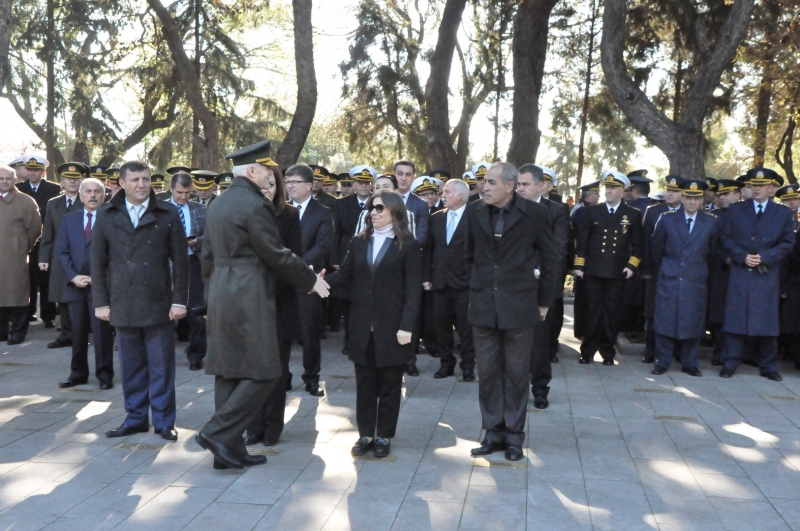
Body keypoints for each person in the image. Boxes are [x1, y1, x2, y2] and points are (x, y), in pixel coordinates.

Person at [197, 140, 328, 470]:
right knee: (266, 370)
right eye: (267, 172)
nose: (271, 178)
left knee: (228, 371)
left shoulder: (219, 203)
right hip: (249, 291)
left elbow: (206, 256)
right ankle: (216, 433)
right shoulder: (255, 204)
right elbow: (275, 253)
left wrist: (210, 295)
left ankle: (228, 450)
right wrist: (310, 280)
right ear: (252, 171)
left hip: (221, 290)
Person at [466, 163, 558, 462]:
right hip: (483, 306)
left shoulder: (536, 214)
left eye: (490, 182)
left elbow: (551, 258)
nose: (484, 186)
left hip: (519, 306)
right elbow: (468, 255)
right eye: (483, 181)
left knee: (518, 375)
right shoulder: (475, 211)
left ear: (509, 186)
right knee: (489, 373)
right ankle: (492, 433)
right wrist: (475, 288)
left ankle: (515, 438)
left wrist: (544, 301)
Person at [92, 160, 189, 442]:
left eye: (145, 179)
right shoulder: (107, 215)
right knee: (131, 367)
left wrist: (179, 301)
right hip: (122, 303)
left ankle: (163, 421)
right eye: (134, 180)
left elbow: (181, 263)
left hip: (159, 302)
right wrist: (101, 302)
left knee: (161, 367)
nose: (141, 185)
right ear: (121, 183)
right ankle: (135, 419)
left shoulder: (168, 213)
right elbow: (97, 264)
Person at [325, 193, 421, 458]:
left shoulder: (409, 245)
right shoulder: (359, 242)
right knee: (365, 384)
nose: (373, 212)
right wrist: (318, 283)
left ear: (395, 211)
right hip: (361, 325)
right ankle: (365, 434)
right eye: (371, 207)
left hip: (393, 327)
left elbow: (414, 292)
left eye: (380, 207)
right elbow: (345, 274)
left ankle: (385, 435)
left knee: (390, 385)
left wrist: (407, 327)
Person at [247, 158, 305, 446]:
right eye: (263, 184)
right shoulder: (244, 212)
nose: (267, 189)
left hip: (279, 302)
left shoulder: (290, 216)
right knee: (253, 369)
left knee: (278, 370)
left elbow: (293, 260)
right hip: (249, 303)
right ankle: (253, 426)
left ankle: (272, 426)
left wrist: (269, 285)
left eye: (273, 184)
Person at [719, 167, 795, 381]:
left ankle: (768, 365)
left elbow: (788, 242)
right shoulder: (735, 210)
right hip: (741, 270)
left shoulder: (781, 212)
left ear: (771, 188)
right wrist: (742, 256)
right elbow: (725, 239)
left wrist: (766, 256)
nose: (758, 189)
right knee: (736, 318)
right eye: (754, 185)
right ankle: (730, 362)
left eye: (762, 185)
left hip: (766, 273)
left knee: (767, 321)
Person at [573, 172, 643, 365]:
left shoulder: (632, 214)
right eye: (607, 188)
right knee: (592, 312)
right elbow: (583, 241)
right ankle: (587, 352)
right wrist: (579, 264)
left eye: (613, 188)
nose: (609, 191)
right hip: (593, 271)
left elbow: (638, 244)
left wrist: (631, 265)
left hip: (617, 271)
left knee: (612, 313)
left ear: (622, 190)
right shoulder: (592, 212)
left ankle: (607, 352)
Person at [650, 180, 719, 376]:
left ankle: (690, 363)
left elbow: (713, 253)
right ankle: (662, 362)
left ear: (702, 200)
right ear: (682, 197)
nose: (692, 202)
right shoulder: (667, 219)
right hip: (670, 276)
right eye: (689, 197)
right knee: (665, 320)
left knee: (693, 321)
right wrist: (663, 271)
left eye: (696, 198)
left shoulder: (711, 221)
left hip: (695, 278)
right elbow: (656, 250)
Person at [516, 164, 570, 409]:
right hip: (513, 285)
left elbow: (556, 248)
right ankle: (514, 388)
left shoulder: (556, 211)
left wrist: (535, 270)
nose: (520, 189)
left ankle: (540, 388)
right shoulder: (511, 208)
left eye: (525, 184)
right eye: (518, 184)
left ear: (540, 185)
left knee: (539, 342)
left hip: (541, 284)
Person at [56, 178, 115, 389]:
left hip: (102, 287)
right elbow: (62, 251)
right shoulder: (69, 220)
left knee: (102, 333)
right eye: (88, 191)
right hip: (75, 286)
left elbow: (117, 253)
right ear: (80, 196)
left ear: (103, 195)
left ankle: (105, 375)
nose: (92, 195)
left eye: (97, 192)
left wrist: (100, 278)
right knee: (77, 332)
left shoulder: (112, 219)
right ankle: (78, 374)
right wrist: (73, 276)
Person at [286, 164, 333, 397]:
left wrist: (298, 267)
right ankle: (282, 377)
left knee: (310, 332)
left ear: (309, 185)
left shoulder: (322, 212)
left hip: (308, 280)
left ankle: (311, 377)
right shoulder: (279, 210)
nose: (290, 186)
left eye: (295, 182)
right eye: (288, 182)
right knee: (281, 331)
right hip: (281, 280)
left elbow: (323, 245)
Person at [424, 179, 474, 380]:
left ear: (460, 195)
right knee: (441, 327)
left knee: (466, 328)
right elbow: (429, 250)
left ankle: (468, 365)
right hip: (440, 282)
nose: (442, 195)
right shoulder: (436, 218)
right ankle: (446, 364)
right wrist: (427, 276)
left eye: (447, 191)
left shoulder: (474, 217)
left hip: (465, 283)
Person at [39, 162, 88, 350]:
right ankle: (66, 334)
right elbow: (48, 233)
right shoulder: (54, 204)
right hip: (60, 257)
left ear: (81, 181)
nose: (72, 182)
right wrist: (44, 257)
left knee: (79, 298)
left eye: (76, 179)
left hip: (81, 257)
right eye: (69, 179)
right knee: (63, 297)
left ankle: (79, 334)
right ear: (61, 181)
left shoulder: (87, 201)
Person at [640, 176, 684, 364]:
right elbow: (645, 243)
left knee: (679, 310)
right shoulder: (653, 212)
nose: (670, 194)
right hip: (657, 272)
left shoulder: (689, 213)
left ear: (683, 194)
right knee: (653, 311)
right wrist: (647, 269)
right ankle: (650, 351)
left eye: (674, 191)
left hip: (681, 273)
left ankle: (677, 352)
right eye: (668, 190)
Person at [332, 165, 375, 354]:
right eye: (360, 182)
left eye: (367, 183)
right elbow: (335, 233)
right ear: (354, 184)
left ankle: (367, 340)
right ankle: (349, 341)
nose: (363, 186)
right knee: (348, 302)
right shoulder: (341, 204)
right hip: (346, 257)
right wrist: (334, 258)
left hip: (370, 257)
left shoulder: (377, 204)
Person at [168, 172, 208, 370]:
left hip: (193, 263)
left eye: (187, 193)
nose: (183, 197)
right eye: (179, 192)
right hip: (166, 266)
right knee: (165, 310)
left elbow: (210, 236)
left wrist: (197, 242)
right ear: (171, 188)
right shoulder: (162, 209)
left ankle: (196, 354)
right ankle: (163, 354)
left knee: (196, 311)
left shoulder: (200, 209)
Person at [16, 155, 61, 326]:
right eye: (30, 170)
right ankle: (29, 312)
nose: (33, 173)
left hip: (47, 238)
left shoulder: (54, 189)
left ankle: (48, 315)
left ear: (43, 172)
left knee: (46, 277)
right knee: (29, 277)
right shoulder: (19, 188)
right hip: (25, 239)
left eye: (36, 170)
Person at [0, 165, 42, 344]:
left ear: (15, 180)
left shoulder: (25, 202)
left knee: (17, 294)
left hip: (15, 257)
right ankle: (1, 331)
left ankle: (18, 330)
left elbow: (35, 229)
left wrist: (22, 247)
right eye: (0, 179)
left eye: (8, 179)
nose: (4, 182)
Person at [707, 179, 743, 365]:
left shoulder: (746, 214)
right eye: (720, 194)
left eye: (726, 194)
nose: (722, 198)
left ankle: (737, 352)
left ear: (738, 195)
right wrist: (724, 258)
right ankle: (719, 350)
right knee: (718, 314)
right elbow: (710, 243)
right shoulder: (713, 216)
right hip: (719, 272)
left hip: (742, 270)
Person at [570, 180, 600, 341]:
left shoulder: (580, 208)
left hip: (583, 257)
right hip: (584, 258)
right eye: (597, 194)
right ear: (590, 196)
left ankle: (581, 328)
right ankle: (581, 329)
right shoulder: (583, 211)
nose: (599, 197)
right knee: (583, 297)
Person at [776, 183, 800, 367]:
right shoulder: (777, 220)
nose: (791, 203)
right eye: (786, 200)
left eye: (795, 199)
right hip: (781, 275)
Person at [394, 160, 429, 245]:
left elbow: (421, 235)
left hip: (408, 251)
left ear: (413, 178)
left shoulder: (421, 204)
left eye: (408, 174)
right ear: (394, 175)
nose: (403, 178)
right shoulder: (383, 200)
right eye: (400, 174)